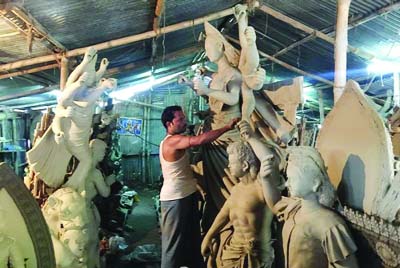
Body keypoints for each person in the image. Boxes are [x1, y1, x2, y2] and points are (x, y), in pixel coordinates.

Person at [159, 105, 239, 268]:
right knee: (172, 244)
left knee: (192, 238)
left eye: (184, 118)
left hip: (187, 195)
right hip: (175, 198)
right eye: (180, 119)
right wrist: (226, 127)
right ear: (169, 124)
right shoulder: (172, 141)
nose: (184, 121)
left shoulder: (177, 138)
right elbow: (200, 140)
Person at [258, 146, 359, 268]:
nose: (286, 183)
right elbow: (275, 204)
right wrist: (265, 180)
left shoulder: (330, 225)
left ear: (315, 183)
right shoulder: (296, 208)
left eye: (292, 179)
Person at [201, 139, 279, 268]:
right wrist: (208, 237)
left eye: (232, 163)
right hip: (234, 250)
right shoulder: (236, 189)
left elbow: (270, 160)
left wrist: (251, 137)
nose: (228, 166)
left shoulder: (262, 187)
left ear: (244, 165)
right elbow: (224, 214)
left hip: (256, 254)